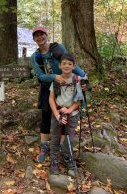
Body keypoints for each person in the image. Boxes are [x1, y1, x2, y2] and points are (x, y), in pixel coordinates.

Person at [30, 26, 86, 163]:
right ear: (34, 39)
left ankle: (61, 147)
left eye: (42, 34)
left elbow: (69, 62)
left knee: (64, 116)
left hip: (67, 87)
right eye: (36, 35)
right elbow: (40, 76)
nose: (40, 37)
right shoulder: (35, 56)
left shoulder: (57, 47)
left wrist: (83, 75)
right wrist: (54, 77)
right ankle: (44, 147)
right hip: (48, 88)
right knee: (46, 116)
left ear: (46, 35)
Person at [49, 53, 84, 176]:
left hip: (72, 113)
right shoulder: (57, 80)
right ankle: (54, 160)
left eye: (69, 64)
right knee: (55, 136)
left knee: (69, 136)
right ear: (59, 66)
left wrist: (69, 110)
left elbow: (79, 100)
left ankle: (67, 158)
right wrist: (57, 115)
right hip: (57, 112)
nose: (66, 66)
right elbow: (51, 99)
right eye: (64, 63)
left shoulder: (77, 80)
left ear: (74, 66)